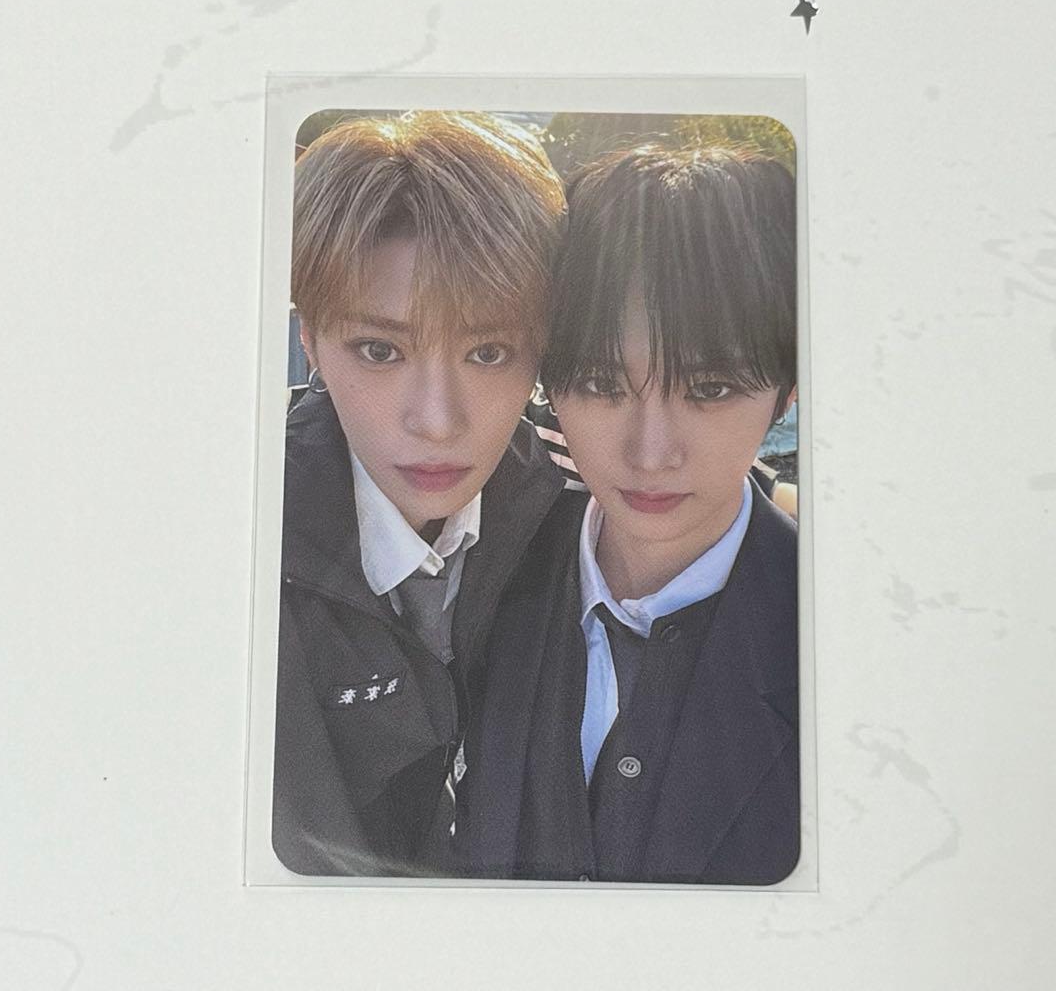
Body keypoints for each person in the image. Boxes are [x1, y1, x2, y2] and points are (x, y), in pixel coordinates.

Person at [457, 144, 801, 885]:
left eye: (709, 390)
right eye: (600, 384)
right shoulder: (477, 582)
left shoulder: (844, 640)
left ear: (788, 387)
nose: (650, 453)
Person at [273, 111, 567, 876]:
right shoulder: (239, 538)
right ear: (308, 339)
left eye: (488, 352)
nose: (437, 420)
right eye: (380, 350)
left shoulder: (575, 505)